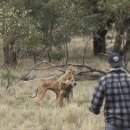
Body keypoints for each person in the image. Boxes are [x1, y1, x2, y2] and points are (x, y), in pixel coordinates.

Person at [89, 51, 130, 130]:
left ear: (110, 64)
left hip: (112, 123)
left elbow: (95, 105)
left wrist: (95, 110)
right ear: (121, 63)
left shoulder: (103, 80)